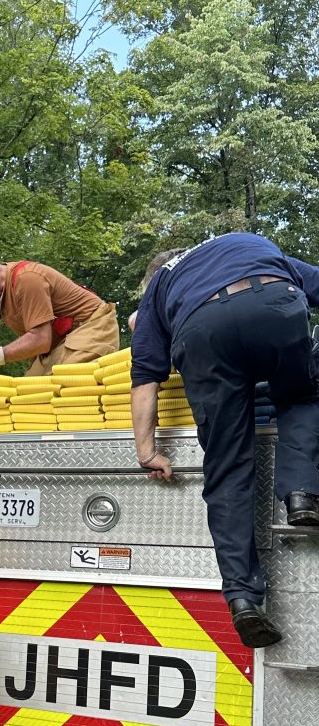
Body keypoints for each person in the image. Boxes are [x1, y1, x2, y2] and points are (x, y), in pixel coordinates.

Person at [130, 232, 319, 648]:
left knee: (228, 465)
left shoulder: (162, 283)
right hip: (274, 302)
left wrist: (147, 451)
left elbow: (145, 376)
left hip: (203, 334)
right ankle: (302, 493)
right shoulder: (245, 244)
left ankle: (243, 599)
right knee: (301, 395)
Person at [0, 239, 119, 375]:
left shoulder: (27, 278)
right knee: (26, 397)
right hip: (58, 342)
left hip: (92, 326)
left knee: (60, 388)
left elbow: (40, 340)